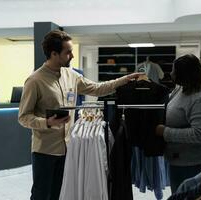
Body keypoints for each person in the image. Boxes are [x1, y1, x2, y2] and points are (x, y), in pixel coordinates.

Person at [18, 30, 142, 200]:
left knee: (60, 194)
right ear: (54, 54)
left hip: (70, 148)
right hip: (45, 151)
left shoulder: (72, 76)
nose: (72, 55)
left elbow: (98, 88)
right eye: (67, 52)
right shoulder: (35, 81)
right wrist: (46, 122)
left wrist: (125, 79)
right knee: (41, 195)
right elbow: (24, 117)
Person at [155, 54, 201, 193]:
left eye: (174, 71)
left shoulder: (200, 99)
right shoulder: (180, 89)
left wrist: (165, 132)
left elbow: (200, 135)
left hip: (192, 165)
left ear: (185, 74)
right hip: (177, 162)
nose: (171, 73)